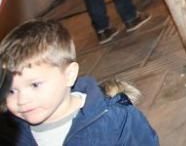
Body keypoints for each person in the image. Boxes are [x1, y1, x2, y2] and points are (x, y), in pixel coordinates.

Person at [0, 19, 157, 144]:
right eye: (11, 91)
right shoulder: (10, 134)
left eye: (34, 85)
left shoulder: (117, 121)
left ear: (69, 75)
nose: (22, 100)